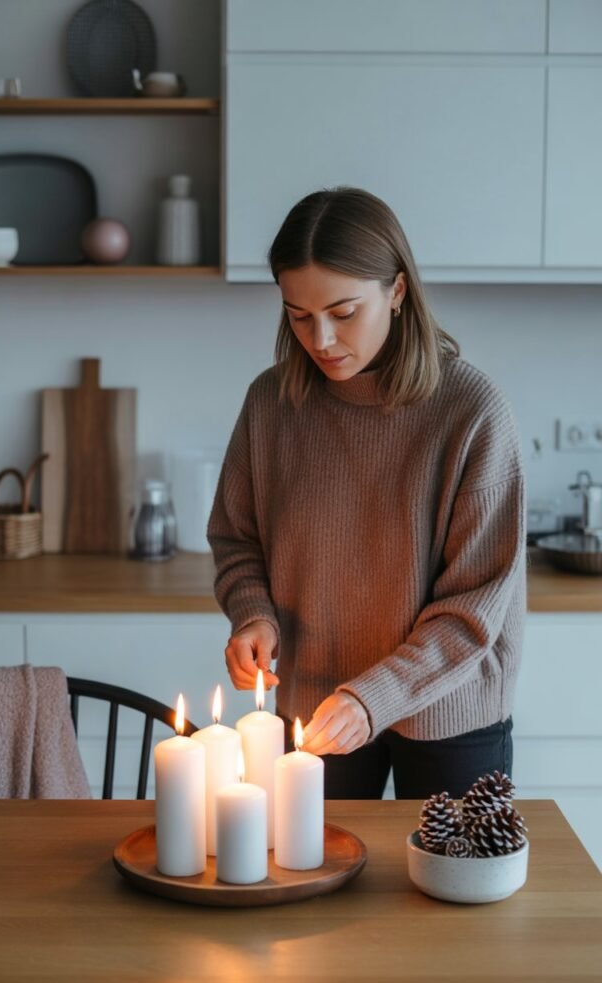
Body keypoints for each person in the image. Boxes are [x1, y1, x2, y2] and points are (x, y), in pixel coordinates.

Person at [207, 187, 526, 799]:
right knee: (307, 885)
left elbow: (472, 608)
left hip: (448, 710)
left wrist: (371, 695)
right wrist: (252, 613)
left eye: (343, 312)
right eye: (299, 315)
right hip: (314, 705)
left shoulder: (474, 413)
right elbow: (235, 538)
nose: (320, 338)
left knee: (446, 891)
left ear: (398, 291)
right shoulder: (270, 404)